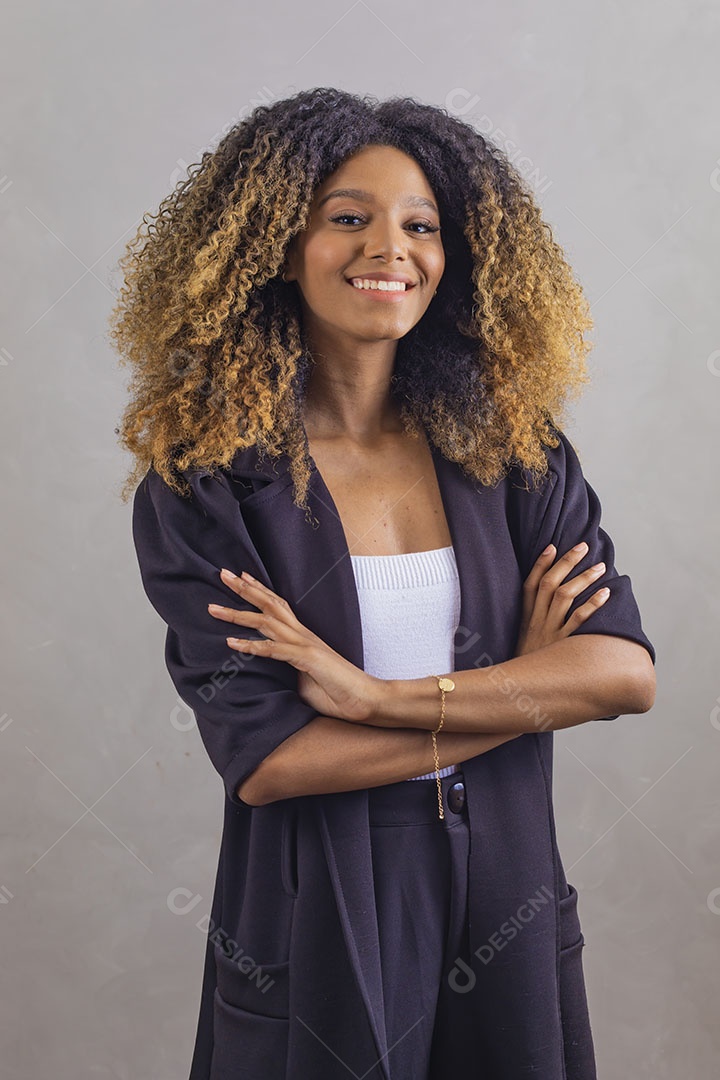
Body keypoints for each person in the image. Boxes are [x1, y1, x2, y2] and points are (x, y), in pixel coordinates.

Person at [112, 87, 657, 1080]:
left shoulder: (512, 455)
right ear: (280, 245)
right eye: (348, 219)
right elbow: (274, 760)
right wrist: (528, 695)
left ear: (456, 259)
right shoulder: (211, 484)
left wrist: (374, 699)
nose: (389, 250)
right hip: (322, 895)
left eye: (421, 226)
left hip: (508, 882)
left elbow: (622, 672)